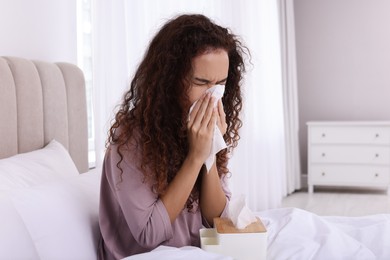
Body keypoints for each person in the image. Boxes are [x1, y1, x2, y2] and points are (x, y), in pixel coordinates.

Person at [98, 13, 248, 259]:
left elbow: (216, 220)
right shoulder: (130, 138)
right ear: (169, 81)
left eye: (220, 83)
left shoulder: (201, 127)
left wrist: (209, 153)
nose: (212, 97)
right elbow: (148, 235)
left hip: (194, 250)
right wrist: (195, 157)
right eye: (201, 82)